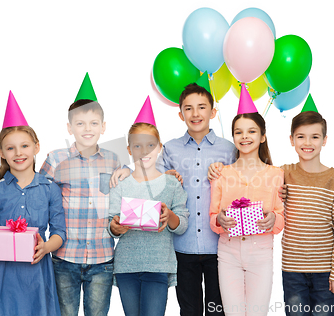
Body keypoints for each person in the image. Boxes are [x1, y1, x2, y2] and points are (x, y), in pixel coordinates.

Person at [0, 90, 129, 315]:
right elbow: (29, 183)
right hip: (65, 258)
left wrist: (128, 170)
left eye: (93, 123)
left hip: (101, 256)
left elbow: (127, 186)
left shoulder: (114, 159)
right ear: (70, 128)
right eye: (80, 123)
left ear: (103, 126)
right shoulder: (56, 159)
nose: (87, 129)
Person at [0, 92, 66, 316]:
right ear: (2, 153)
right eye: (10, 148)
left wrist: (46, 247)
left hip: (35, 273)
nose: (18, 153)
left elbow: (60, 232)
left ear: (36, 147)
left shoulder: (50, 189)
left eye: (24, 146)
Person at [159, 83, 235, 315]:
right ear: (181, 114)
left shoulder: (229, 149)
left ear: (213, 112)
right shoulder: (170, 149)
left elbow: (244, 187)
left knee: (217, 309)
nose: (195, 113)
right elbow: (151, 189)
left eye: (202, 107)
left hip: (220, 246)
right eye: (189, 108)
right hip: (182, 245)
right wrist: (165, 178)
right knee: (189, 310)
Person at [108, 97, 189, 316]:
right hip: (127, 266)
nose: (144, 151)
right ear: (129, 149)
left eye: (150, 145)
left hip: (158, 265)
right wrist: (116, 227)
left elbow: (181, 224)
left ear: (159, 148)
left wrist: (168, 215)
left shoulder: (171, 183)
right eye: (138, 146)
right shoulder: (121, 183)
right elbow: (111, 224)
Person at [208, 89, 284, 316]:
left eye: (251, 131)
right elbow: (213, 219)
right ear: (233, 137)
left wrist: (273, 219)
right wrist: (220, 220)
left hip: (260, 252)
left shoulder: (276, 174)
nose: (245, 136)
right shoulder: (221, 173)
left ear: (262, 136)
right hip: (228, 251)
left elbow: (280, 220)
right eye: (238, 132)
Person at [281, 107, 334, 316]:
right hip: (292, 270)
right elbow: (254, 178)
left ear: (324, 140)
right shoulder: (283, 173)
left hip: (325, 272)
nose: (307, 143)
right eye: (301, 136)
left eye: (315, 137)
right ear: (292, 140)